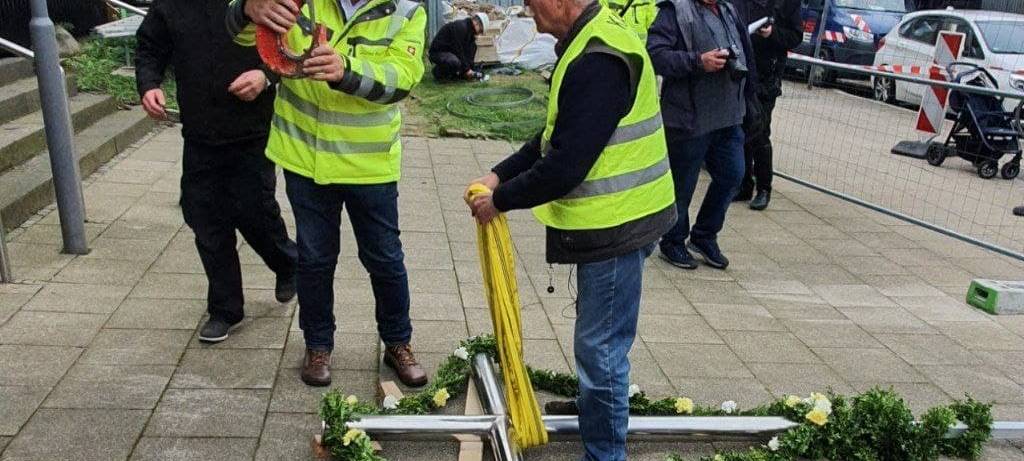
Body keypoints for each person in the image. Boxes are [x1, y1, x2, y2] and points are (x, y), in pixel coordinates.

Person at [466, 0, 676, 457]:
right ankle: (594, 408)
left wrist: (499, 201)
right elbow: (553, 135)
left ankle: (604, 451)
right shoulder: (587, 39)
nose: (526, 8)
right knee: (597, 339)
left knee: (600, 350)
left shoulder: (598, 59)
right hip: (615, 219)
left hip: (619, 224)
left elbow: (564, 166)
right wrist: (498, 175)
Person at [226, 0, 429, 388]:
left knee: (385, 259)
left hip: (368, 165)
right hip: (306, 159)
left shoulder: (405, 10)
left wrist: (346, 71)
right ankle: (317, 346)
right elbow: (239, 34)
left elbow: (403, 77)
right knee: (315, 260)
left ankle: (398, 342)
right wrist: (248, 9)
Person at [135, 0, 298, 344]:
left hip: (251, 130)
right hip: (200, 132)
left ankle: (287, 263)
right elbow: (150, 46)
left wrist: (265, 76)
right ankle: (225, 309)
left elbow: (293, 44)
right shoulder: (170, 5)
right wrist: (149, 84)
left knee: (254, 211)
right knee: (205, 219)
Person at [647, 0, 757, 270]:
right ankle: (672, 241)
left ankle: (704, 235)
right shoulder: (675, 11)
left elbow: (747, 54)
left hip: (729, 116)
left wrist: (752, 98)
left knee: (734, 174)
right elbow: (655, 55)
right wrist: (698, 61)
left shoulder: (729, 10)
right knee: (682, 186)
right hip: (689, 118)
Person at [732, 0, 802, 210]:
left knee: (760, 131)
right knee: (741, 128)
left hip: (767, 76)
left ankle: (764, 188)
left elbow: (795, 37)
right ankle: (744, 184)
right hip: (741, 68)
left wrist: (772, 33)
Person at [429, 13, 490, 82]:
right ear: (476, 23)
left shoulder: (469, 34)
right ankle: (438, 73)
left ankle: (455, 74)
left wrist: (471, 70)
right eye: (480, 31)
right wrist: (467, 70)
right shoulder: (461, 27)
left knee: (473, 47)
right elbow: (458, 50)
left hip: (450, 52)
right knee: (454, 62)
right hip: (438, 52)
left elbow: (467, 55)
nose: (479, 34)